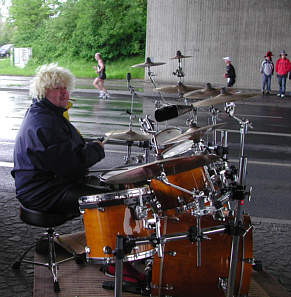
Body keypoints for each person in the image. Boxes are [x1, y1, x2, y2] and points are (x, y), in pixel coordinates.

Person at [11, 63, 107, 217]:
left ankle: (92, 238)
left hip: (48, 184)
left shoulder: (47, 113)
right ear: (43, 90)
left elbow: (66, 149)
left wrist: (89, 147)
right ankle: (98, 240)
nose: (64, 93)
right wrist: (96, 150)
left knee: (110, 188)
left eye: (65, 88)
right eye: (57, 88)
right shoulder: (45, 122)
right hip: (42, 193)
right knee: (109, 201)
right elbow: (71, 164)